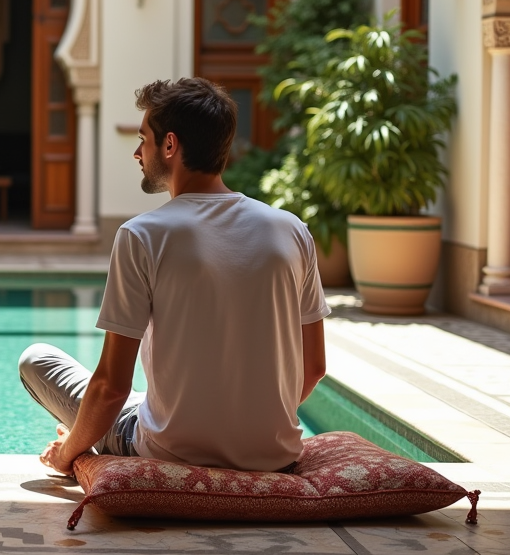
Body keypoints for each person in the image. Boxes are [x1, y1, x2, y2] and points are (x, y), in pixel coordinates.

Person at [19, 78, 329, 475]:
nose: (137, 152)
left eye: (143, 139)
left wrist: (66, 456)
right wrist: (251, 428)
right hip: (274, 455)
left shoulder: (142, 235)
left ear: (169, 145)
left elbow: (111, 387)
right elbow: (315, 366)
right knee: (143, 398)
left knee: (36, 360)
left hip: (167, 450)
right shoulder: (291, 230)